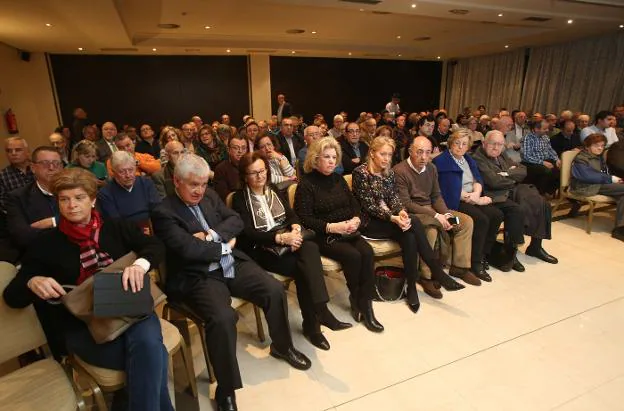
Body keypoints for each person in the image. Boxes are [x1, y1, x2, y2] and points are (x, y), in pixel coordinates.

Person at [3, 167, 173, 411]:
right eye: (64, 199)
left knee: (147, 349)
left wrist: (140, 264)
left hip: (131, 310)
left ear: (93, 200)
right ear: (57, 202)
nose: (72, 205)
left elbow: (155, 246)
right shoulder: (47, 243)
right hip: (84, 325)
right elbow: (13, 296)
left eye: (79, 198)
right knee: (152, 355)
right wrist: (32, 281)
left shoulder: (116, 227)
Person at [151, 154, 311, 411]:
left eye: (203, 184)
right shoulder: (163, 211)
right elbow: (188, 249)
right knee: (223, 318)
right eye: (193, 184)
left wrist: (212, 235)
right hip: (198, 275)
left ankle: (282, 347)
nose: (199, 190)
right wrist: (224, 246)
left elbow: (235, 221)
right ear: (176, 181)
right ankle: (225, 389)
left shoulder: (210, 195)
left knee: (273, 289)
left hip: (231, 262)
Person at [232, 152, 351, 350]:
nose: (260, 176)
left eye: (262, 171)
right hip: (262, 249)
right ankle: (317, 319)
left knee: (309, 249)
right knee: (305, 264)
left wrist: (295, 229)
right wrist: (279, 238)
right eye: (253, 173)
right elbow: (247, 233)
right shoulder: (239, 198)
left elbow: (292, 215)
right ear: (245, 176)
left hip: (287, 242)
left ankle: (315, 320)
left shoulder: (273, 190)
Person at [353, 137, 464, 311]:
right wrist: (394, 217)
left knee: (410, 237)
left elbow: (394, 199)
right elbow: (370, 207)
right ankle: (437, 272)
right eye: (382, 154)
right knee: (415, 222)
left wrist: (401, 212)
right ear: (372, 153)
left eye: (389, 155)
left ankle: (411, 287)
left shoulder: (388, 172)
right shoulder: (360, 172)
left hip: (389, 220)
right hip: (369, 223)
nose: (386, 159)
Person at [295, 137, 384, 333]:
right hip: (324, 235)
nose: (331, 161)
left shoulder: (338, 180)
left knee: (367, 252)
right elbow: (305, 219)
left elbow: (355, 206)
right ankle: (359, 299)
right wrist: (333, 227)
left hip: (348, 230)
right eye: (326, 157)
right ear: (315, 159)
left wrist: (356, 220)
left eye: (334, 157)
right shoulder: (306, 184)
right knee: (353, 256)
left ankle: (364, 304)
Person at [393, 137, 480, 292]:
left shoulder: (431, 168)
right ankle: (426, 276)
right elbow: (406, 203)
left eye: (427, 152)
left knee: (465, 222)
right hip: (415, 213)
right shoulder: (400, 171)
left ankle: (459, 267)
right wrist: (435, 216)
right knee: (431, 230)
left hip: (433, 211)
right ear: (410, 151)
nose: (424, 157)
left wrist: (445, 213)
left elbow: (436, 196)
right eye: (419, 152)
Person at [473, 131, 558, 271]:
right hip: (495, 194)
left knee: (542, 203)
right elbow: (493, 181)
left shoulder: (502, 154)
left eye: (500, 144)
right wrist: (512, 176)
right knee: (517, 210)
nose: (496, 147)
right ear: (484, 143)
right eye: (492, 143)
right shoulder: (478, 158)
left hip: (512, 190)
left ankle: (536, 246)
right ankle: (511, 252)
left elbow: (523, 170)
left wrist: (506, 173)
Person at [433, 130, 504, 281]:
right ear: (450, 143)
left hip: (472, 196)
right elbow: (451, 189)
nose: (460, 147)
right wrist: (476, 200)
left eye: (464, 144)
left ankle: (484, 254)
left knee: (496, 214)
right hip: (455, 201)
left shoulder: (468, 159)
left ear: (468, 147)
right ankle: (475, 262)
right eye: (457, 143)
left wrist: (477, 194)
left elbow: (478, 179)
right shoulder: (442, 161)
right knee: (481, 219)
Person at [6, 146, 64, 253]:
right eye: (45, 163)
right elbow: (22, 236)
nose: (51, 168)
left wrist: (53, 221)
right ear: (33, 168)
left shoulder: (74, 189)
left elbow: (93, 218)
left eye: (56, 163)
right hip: (42, 255)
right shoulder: (17, 197)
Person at [570, 133, 624, 241]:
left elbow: (604, 173)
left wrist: (613, 179)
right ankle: (619, 230)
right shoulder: (581, 158)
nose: (600, 148)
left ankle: (620, 229)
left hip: (598, 184)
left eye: (602, 146)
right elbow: (586, 176)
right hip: (585, 186)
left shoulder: (598, 157)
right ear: (587, 146)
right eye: (596, 145)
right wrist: (610, 179)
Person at [98, 151, 161, 230]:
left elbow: (158, 211)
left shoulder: (146, 183)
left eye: (131, 170)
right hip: (125, 234)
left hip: (152, 229)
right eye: (122, 171)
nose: (128, 175)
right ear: (113, 173)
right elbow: (116, 223)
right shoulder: (105, 193)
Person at [521, 120, 561, 196]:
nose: (547, 130)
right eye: (545, 128)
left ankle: (549, 190)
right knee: (546, 171)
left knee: (562, 169)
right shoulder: (528, 138)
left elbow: (550, 150)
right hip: (531, 162)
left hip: (545, 160)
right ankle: (540, 194)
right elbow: (526, 156)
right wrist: (543, 163)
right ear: (536, 129)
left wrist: (557, 159)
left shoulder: (545, 137)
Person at [213, 135, 248, 201]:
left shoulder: (251, 166)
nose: (240, 151)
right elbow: (223, 198)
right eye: (236, 148)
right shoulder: (221, 169)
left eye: (243, 148)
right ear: (228, 150)